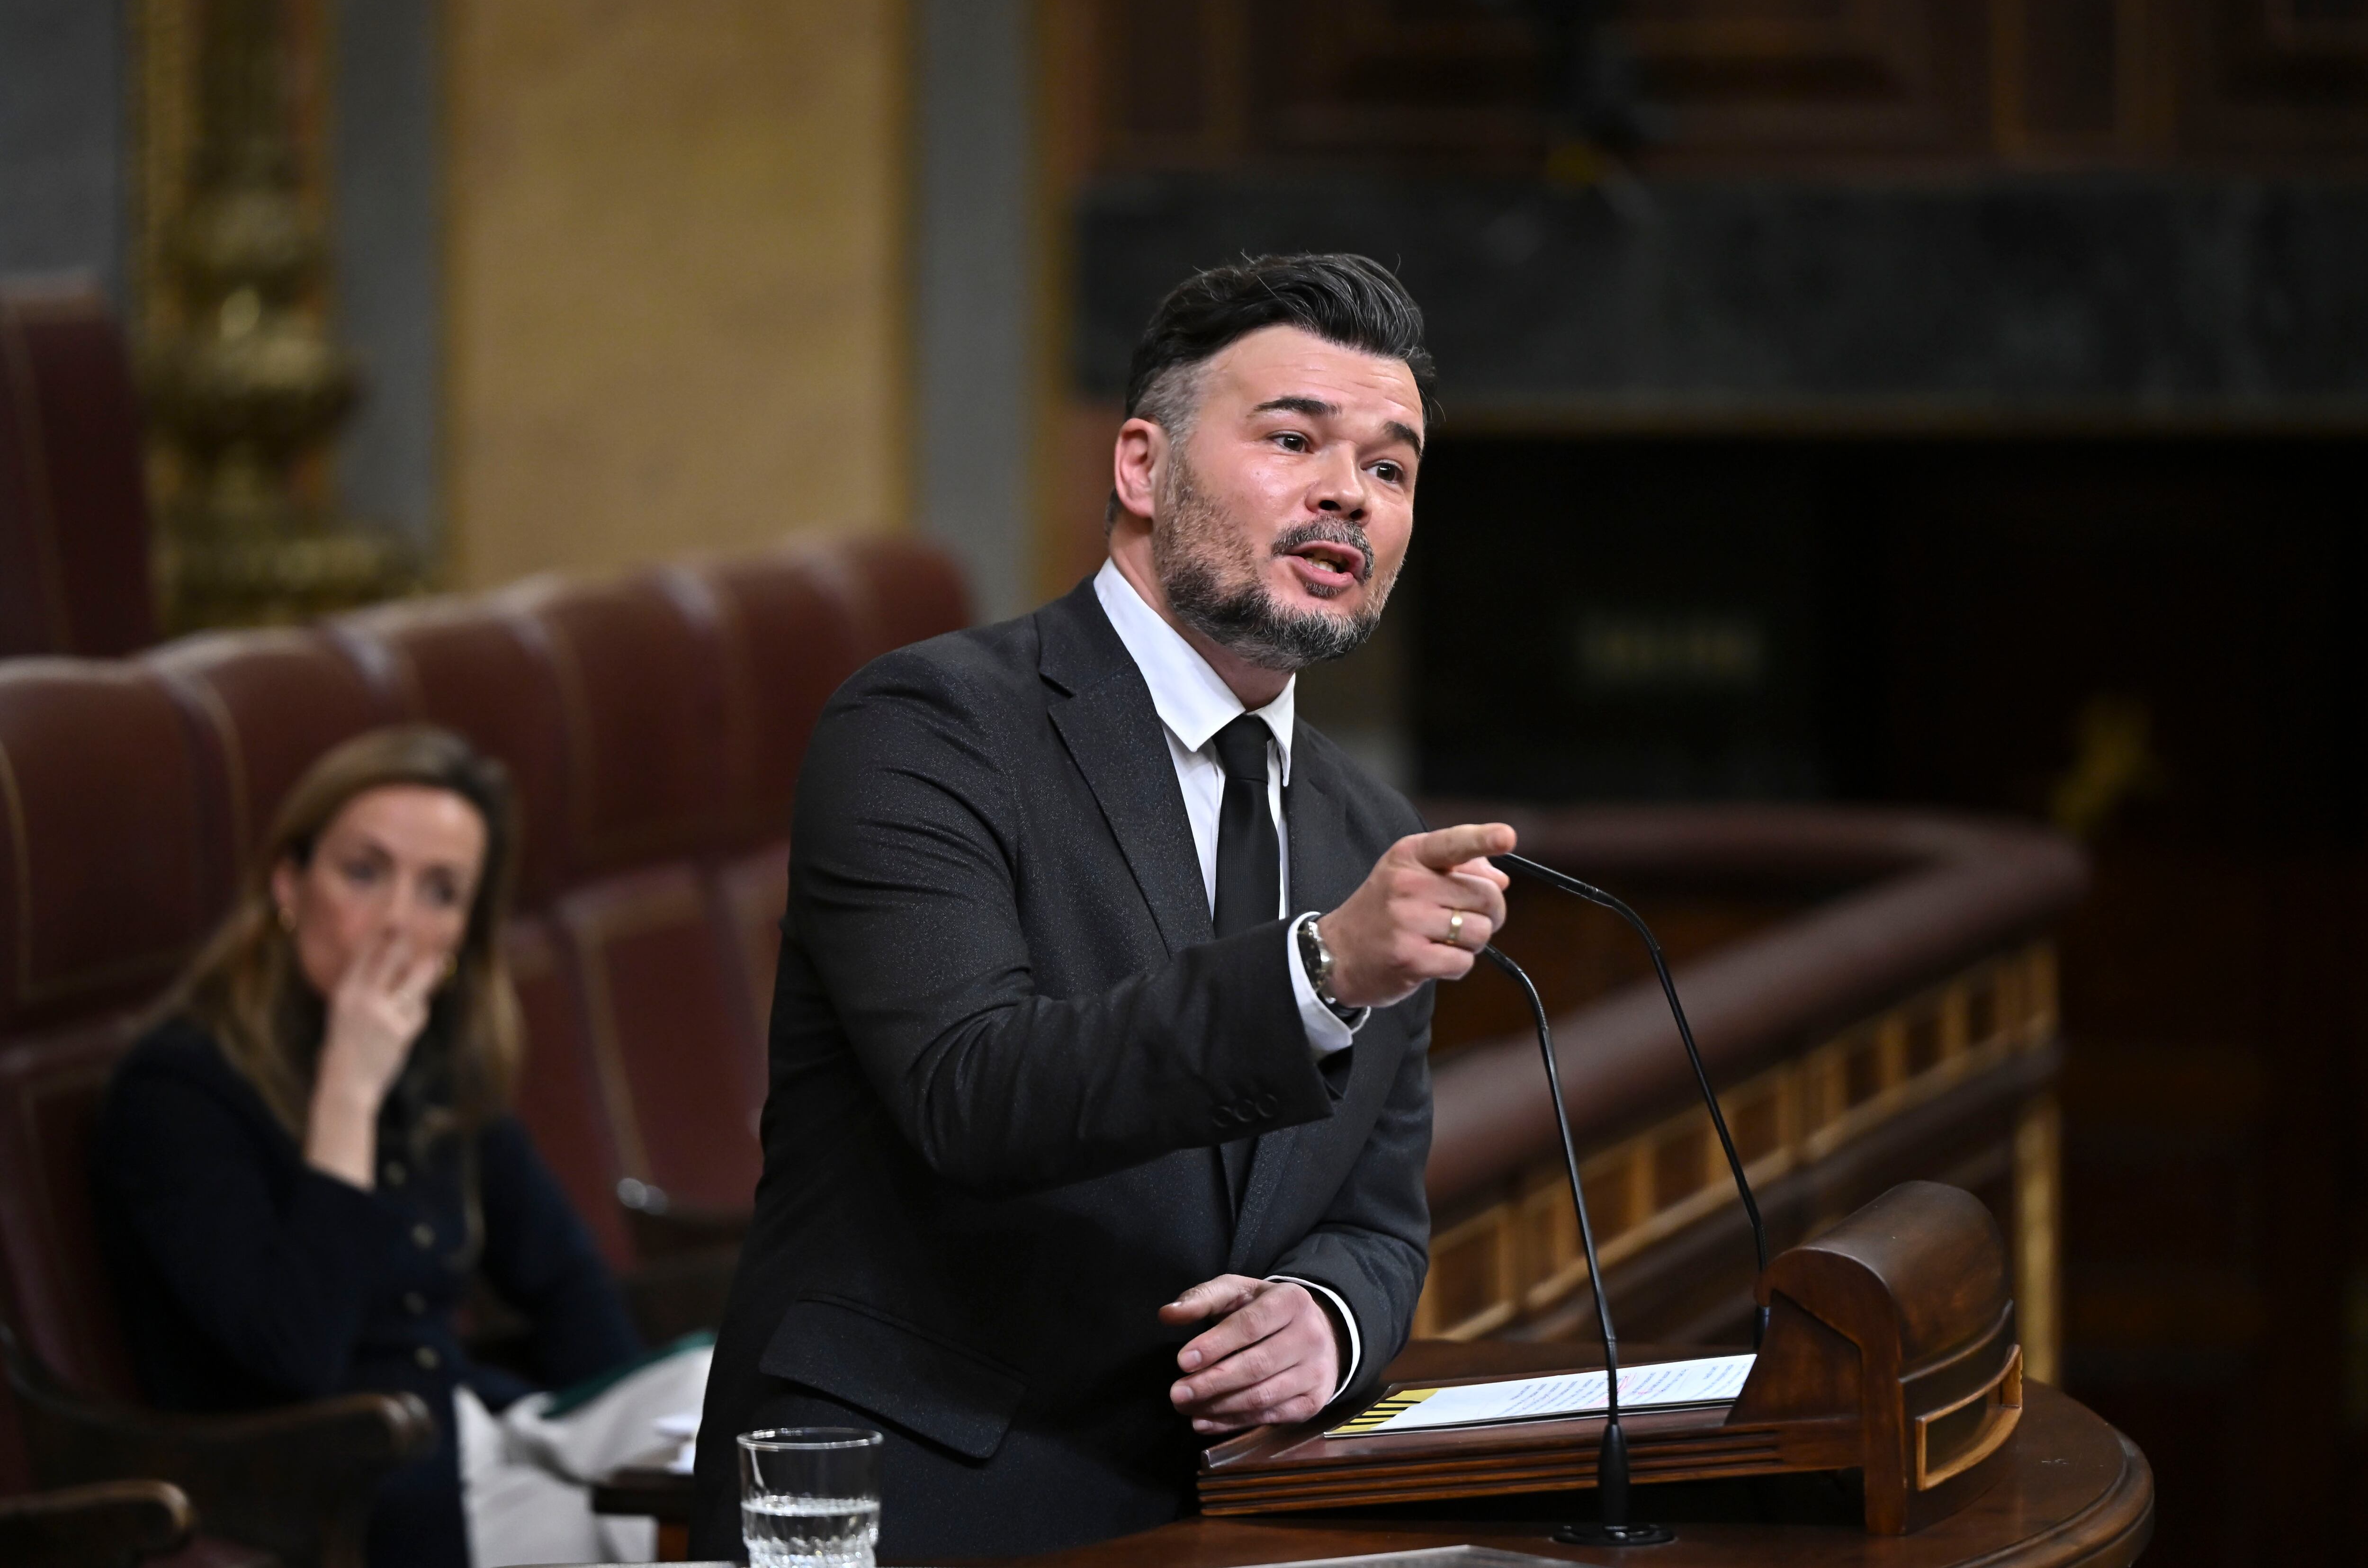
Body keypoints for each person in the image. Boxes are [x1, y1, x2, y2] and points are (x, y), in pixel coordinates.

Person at [694, 252, 1517, 1559]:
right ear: (1142, 468)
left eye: (1390, 467)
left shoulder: (1369, 834)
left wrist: (1327, 1315)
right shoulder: (929, 726)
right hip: (934, 1484)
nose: (1344, 494)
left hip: (1232, 1510)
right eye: (1294, 437)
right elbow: (972, 1088)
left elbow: (1373, 1214)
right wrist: (1318, 972)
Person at [91, 726, 708, 1568]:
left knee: (727, 1398)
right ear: (288, 884)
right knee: (664, 1530)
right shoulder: (179, 1088)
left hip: (485, 1435)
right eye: (364, 871)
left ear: (463, 935)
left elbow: (564, 1280)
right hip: (344, 1487)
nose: (395, 921)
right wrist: (349, 1083)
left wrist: (642, 1441)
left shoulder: (435, 1062)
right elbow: (293, 1355)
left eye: (440, 891)